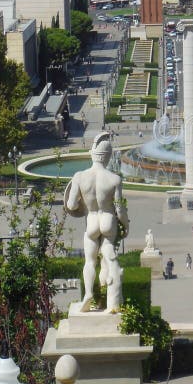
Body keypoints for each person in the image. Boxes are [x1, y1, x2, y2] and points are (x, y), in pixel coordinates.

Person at [64, 131, 129, 313]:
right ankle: (111, 301)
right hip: (108, 221)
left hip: (91, 221)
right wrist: (127, 225)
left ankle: (89, 294)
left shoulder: (79, 176)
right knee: (109, 259)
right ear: (108, 157)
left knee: (90, 262)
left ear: (92, 154)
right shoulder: (115, 179)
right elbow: (120, 210)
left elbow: (70, 204)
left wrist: (80, 203)